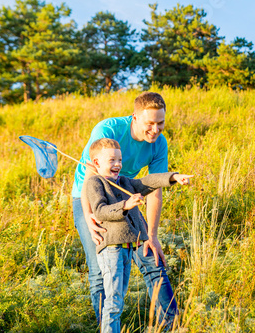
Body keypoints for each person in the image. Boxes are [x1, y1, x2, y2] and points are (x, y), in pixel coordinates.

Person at [72, 92, 179, 328]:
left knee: (151, 258)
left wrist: (152, 235)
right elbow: (91, 181)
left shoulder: (159, 144)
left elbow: (154, 189)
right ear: (135, 117)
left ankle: (169, 325)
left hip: (126, 195)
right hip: (90, 197)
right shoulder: (108, 129)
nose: (155, 129)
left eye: (160, 123)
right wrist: (91, 219)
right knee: (101, 269)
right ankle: (108, 325)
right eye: (149, 123)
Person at [86, 137, 192, 333]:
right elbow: (100, 211)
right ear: (97, 163)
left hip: (126, 248)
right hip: (111, 249)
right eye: (111, 160)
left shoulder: (125, 182)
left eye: (119, 159)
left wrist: (173, 177)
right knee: (114, 300)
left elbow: (147, 182)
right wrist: (125, 205)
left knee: (119, 298)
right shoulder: (95, 183)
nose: (118, 164)